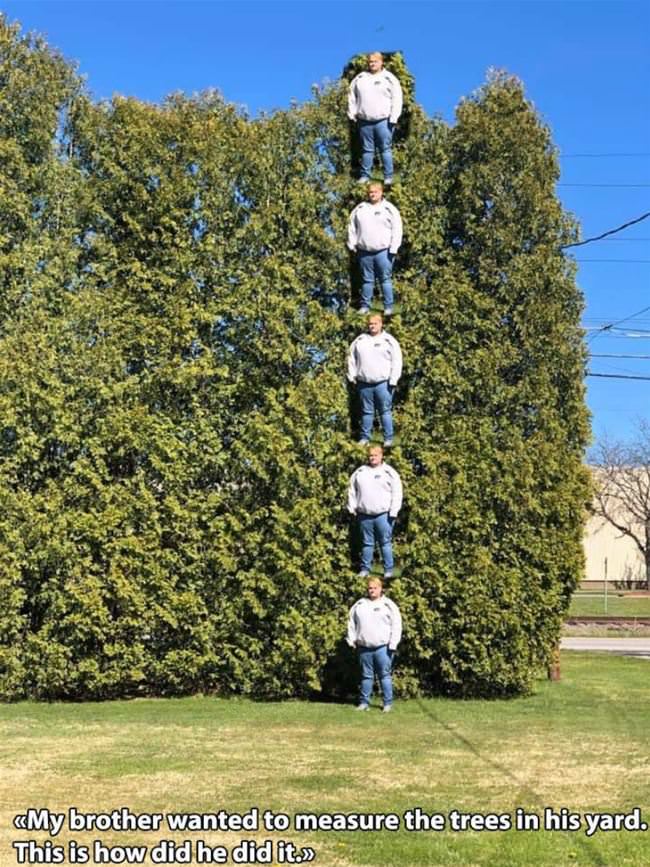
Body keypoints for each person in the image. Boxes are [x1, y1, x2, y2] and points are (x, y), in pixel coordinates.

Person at [346, 577, 402, 712]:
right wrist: (351, 639)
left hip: (383, 648)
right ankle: (364, 703)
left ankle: (387, 704)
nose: (372, 590)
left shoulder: (388, 605)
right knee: (366, 676)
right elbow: (351, 623)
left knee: (385, 676)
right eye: (370, 588)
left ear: (381, 589)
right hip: (364, 648)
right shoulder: (359, 605)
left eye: (375, 588)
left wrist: (393, 644)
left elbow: (397, 625)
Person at [347, 52, 403, 184]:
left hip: (384, 121)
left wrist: (394, 117)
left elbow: (397, 98)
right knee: (367, 150)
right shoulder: (360, 78)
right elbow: (352, 96)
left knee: (385, 149)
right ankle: (365, 176)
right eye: (370, 62)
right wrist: (352, 113)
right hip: (364, 121)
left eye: (375, 61)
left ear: (381, 62)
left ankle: (388, 177)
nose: (372, 64)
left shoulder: (389, 78)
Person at [347, 445, 403, 578]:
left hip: (384, 515)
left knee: (385, 543)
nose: (372, 458)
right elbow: (352, 490)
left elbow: (397, 492)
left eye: (375, 455)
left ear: (381, 456)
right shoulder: (360, 472)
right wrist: (352, 507)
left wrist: (394, 511)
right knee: (367, 544)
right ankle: (365, 569)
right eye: (370, 455)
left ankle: (388, 571)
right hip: (364, 515)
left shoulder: (389, 472)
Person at [347, 313, 403, 447]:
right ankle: (365, 438)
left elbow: (397, 360)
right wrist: (352, 375)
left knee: (385, 412)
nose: (372, 326)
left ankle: (388, 439)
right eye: (370, 324)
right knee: (367, 412)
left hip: (383, 384)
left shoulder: (389, 341)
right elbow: (351, 358)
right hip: (364, 384)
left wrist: (393, 380)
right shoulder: (360, 340)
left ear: (381, 324)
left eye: (375, 324)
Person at [347, 182, 403, 315]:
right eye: (370, 192)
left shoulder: (389, 209)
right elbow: (352, 227)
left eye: (375, 192)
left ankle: (388, 307)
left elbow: (397, 228)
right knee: (367, 281)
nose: (372, 194)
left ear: (381, 192)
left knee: (385, 280)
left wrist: (394, 248)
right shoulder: (360, 208)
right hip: (364, 252)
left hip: (384, 252)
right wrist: (352, 244)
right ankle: (365, 306)